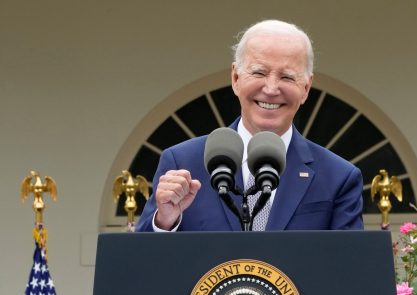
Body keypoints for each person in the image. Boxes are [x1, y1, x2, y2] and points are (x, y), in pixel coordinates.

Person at [136, 20, 363, 232]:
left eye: (287, 77)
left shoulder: (339, 177)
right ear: (236, 78)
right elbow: (139, 262)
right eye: (259, 72)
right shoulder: (183, 163)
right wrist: (165, 220)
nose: (272, 88)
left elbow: (352, 266)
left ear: (306, 88)